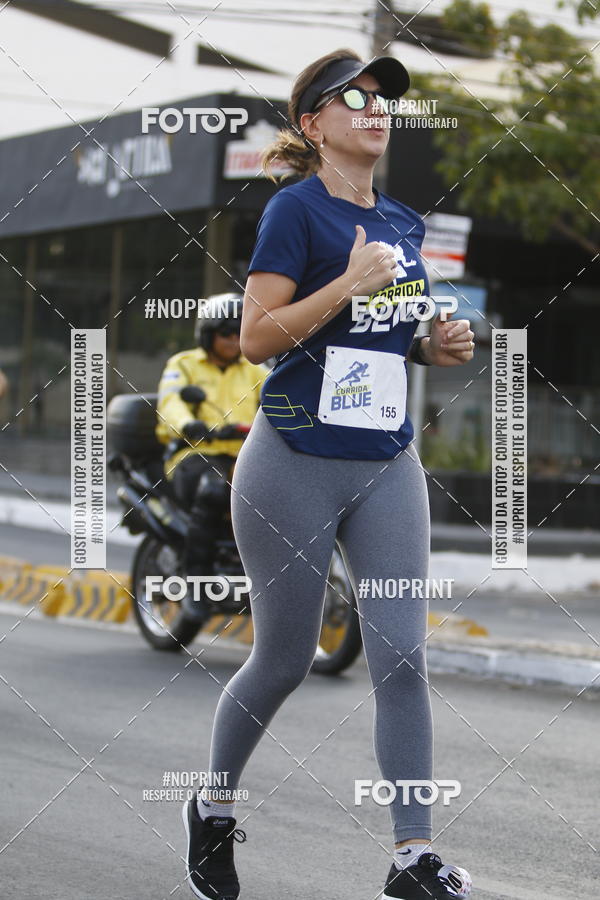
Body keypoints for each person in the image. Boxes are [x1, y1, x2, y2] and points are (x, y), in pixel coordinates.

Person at [182, 50, 476, 900]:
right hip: (294, 461)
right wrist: (347, 281)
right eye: (355, 96)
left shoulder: (405, 223)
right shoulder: (294, 210)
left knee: (402, 656)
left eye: (385, 99)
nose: (375, 108)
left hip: (386, 461)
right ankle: (211, 806)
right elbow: (258, 338)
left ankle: (412, 857)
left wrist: (433, 347)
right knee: (282, 660)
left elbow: (385, 337)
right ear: (313, 124)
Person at [155, 294, 269, 618]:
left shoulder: (254, 370)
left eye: (238, 332)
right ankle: (196, 585)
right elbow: (170, 402)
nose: (233, 340)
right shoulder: (184, 364)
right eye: (225, 333)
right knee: (214, 490)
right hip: (195, 454)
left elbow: (279, 398)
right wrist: (188, 424)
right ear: (207, 333)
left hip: (242, 457)